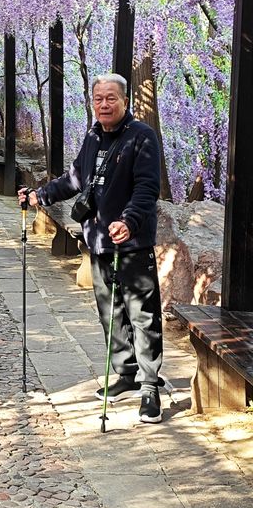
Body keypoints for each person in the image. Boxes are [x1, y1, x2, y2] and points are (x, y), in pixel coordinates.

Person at [19, 73, 164, 423]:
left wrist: (128, 220)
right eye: (98, 98)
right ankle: (126, 374)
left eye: (110, 98)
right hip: (98, 240)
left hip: (131, 243)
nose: (103, 104)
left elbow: (147, 188)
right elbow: (74, 179)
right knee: (111, 313)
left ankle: (150, 386)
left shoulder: (142, 137)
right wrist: (41, 195)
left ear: (125, 101)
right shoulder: (93, 136)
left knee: (142, 315)